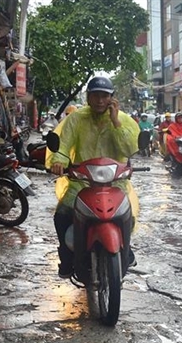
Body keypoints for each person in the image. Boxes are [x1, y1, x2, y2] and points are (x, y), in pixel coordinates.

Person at [46, 76, 139, 278]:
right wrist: (58, 161)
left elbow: (131, 149)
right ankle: (66, 256)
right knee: (62, 215)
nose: (99, 100)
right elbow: (63, 145)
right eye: (95, 95)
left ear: (112, 99)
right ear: (88, 97)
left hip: (115, 183)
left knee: (128, 217)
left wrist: (116, 122)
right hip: (82, 183)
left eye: (104, 96)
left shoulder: (123, 120)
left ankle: (127, 249)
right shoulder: (76, 118)